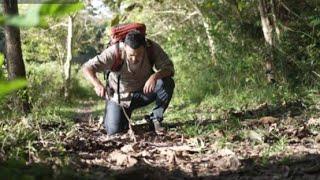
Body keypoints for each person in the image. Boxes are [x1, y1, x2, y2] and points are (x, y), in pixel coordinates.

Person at [82, 30, 175, 135]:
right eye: (131, 55)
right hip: (120, 98)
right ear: (125, 47)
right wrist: (97, 84)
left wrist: (155, 76)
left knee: (167, 82)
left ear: (144, 47)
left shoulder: (151, 48)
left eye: (139, 54)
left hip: (144, 92)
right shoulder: (114, 52)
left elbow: (169, 69)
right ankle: (119, 115)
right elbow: (87, 67)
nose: (134, 59)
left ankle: (155, 119)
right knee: (114, 131)